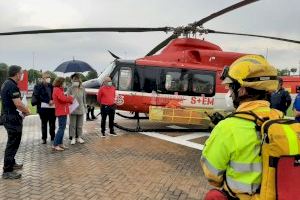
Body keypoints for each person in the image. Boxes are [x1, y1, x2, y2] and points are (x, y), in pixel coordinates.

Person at [201, 55, 283, 200]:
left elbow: (212, 176)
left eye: (231, 88)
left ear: (242, 90)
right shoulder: (280, 118)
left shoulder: (228, 127)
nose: (230, 93)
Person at [1, 65, 30, 179]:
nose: (22, 75)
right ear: (17, 74)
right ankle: (7, 171)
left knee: (12, 142)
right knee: (13, 144)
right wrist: (26, 110)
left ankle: (11, 164)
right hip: (11, 118)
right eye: (21, 73)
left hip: (8, 116)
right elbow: (18, 103)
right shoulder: (12, 86)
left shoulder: (6, 83)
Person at [33, 72, 56, 144]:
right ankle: (44, 138)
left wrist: (53, 100)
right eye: (47, 77)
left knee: (52, 123)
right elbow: (37, 96)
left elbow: (55, 95)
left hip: (52, 108)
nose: (48, 79)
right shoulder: (38, 86)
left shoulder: (52, 86)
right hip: (42, 109)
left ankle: (53, 137)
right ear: (43, 78)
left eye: (49, 77)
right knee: (44, 124)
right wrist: (47, 101)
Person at [52, 77, 73, 151]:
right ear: (60, 83)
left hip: (62, 111)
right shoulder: (57, 90)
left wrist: (67, 97)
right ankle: (55, 144)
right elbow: (63, 99)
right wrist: (70, 98)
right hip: (61, 111)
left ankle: (60, 143)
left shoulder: (59, 90)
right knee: (61, 128)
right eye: (64, 82)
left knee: (62, 128)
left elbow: (63, 98)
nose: (65, 84)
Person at [67, 73, 86, 145]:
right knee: (72, 125)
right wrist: (73, 95)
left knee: (80, 125)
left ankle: (79, 137)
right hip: (73, 109)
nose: (76, 81)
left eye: (77, 80)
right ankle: (73, 137)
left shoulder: (82, 88)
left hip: (81, 108)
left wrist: (85, 107)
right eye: (75, 80)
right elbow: (68, 99)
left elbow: (84, 99)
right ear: (72, 81)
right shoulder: (70, 88)